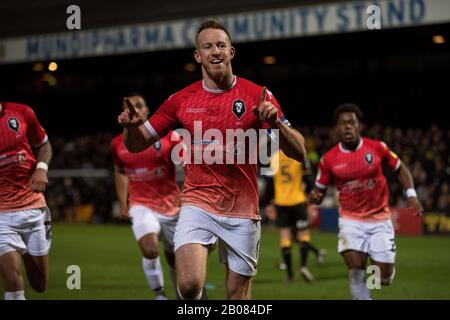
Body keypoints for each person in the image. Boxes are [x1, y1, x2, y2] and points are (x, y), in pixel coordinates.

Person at [117, 20, 306, 300]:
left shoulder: (259, 95)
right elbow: (137, 144)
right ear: (198, 56)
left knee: (236, 296)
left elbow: (300, 152)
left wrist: (276, 123)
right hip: (197, 204)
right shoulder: (180, 100)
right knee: (190, 285)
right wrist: (130, 127)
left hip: (242, 209)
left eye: (220, 45)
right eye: (207, 46)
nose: (215, 51)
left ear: (231, 51)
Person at [309, 103, 424, 300]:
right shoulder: (328, 160)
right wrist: (315, 197)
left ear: (359, 126)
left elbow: (400, 168)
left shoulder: (377, 148)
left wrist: (411, 194)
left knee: (381, 278)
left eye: (352, 123)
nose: (348, 127)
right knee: (355, 266)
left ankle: (383, 273)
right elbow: (318, 190)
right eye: (343, 123)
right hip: (350, 220)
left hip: (379, 219)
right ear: (336, 128)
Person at [111, 93, 183, 300]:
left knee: (175, 259)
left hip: (171, 206)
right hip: (141, 204)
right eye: (129, 108)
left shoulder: (169, 136)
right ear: (123, 114)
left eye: (139, 106)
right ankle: (159, 294)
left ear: (147, 110)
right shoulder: (117, 144)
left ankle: (182, 294)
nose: (135, 110)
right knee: (150, 249)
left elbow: (189, 165)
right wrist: (123, 202)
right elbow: (120, 172)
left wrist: (188, 192)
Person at [0, 101, 53, 300]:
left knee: (39, 284)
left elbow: (44, 145)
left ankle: (21, 248)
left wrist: (41, 168)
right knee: (12, 279)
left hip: (33, 208)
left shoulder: (22, 112)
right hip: (1, 217)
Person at [266, 149, 326, 283]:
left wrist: (269, 203)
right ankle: (303, 266)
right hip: (298, 201)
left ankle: (289, 275)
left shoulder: (274, 157)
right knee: (303, 235)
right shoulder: (299, 155)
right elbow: (309, 180)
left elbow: (270, 184)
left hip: (281, 202)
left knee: (285, 238)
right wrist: (311, 203)